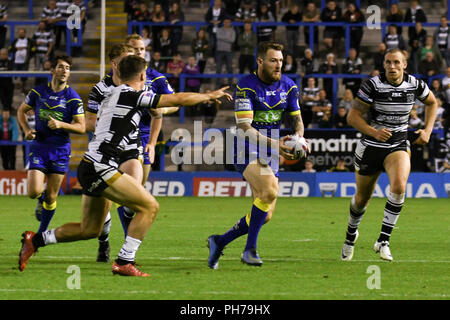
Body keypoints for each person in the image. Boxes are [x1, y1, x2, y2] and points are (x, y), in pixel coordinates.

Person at [18, 54, 232, 276]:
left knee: (90, 229)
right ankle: (124, 260)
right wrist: (208, 95)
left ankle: (36, 240)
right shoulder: (133, 95)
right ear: (142, 75)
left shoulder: (112, 93)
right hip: (101, 166)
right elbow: (174, 99)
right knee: (150, 207)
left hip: (90, 165)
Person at [207, 42, 307, 269]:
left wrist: (299, 137)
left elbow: (296, 119)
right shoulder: (246, 87)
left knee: (266, 211)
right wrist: (276, 144)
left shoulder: (289, 86)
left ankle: (219, 241)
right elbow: (244, 127)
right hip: (245, 146)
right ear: (260, 61)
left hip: (270, 147)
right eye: (273, 60)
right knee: (270, 190)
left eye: (281, 61)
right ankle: (249, 250)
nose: (279, 65)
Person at [341, 49, 438, 262]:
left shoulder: (415, 84)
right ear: (384, 65)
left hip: (398, 144)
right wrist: (374, 131)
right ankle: (350, 235)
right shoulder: (372, 85)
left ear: (404, 65)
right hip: (371, 146)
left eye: (396, 62)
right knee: (361, 199)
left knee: (399, 186)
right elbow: (352, 116)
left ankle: (383, 240)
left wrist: (428, 131)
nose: (391, 67)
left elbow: (432, 102)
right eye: (388, 63)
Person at [16, 54, 85, 235]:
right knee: (33, 191)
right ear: (52, 70)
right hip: (40, 146)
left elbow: (82, 127)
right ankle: (40, 200)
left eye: (68, 68)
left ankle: (41, 234)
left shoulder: (73, 98)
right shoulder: (38, 92)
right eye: (61, 67)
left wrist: (62, 124)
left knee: (52, 196)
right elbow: (21, 111)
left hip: (60, 150)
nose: (64, 71)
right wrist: (26, 130)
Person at [9, 28, 34, 94]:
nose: (21, 34)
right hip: (16, 61)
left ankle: (22, 89)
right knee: (15, 75)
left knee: (24, 76)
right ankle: (15, 88)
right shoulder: (16, 40)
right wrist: (16, 48)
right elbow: (10, 48)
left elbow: (33, 49)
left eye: (22, 32)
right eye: (20, 32)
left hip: (24, 62)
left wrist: (29, 57)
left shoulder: (28, 40)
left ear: (25, 33)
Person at [215, 17, 235, 87]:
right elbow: (218, 36)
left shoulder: (232, 30)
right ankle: (218, 84)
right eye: (225, 22)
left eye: (228, 22)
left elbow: (232, 40)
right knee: (218, 68)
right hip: (219, 51)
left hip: (228, 51)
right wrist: (227, 38)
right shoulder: (219, 29)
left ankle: (230, 84)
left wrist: (223, 38)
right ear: (223, 22)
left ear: (230, 23)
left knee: (229, 68)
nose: (226, 23)